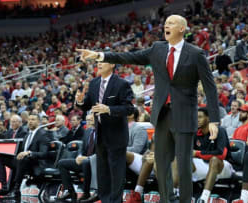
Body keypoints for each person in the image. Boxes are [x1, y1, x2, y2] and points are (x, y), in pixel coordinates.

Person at [76, 14, 220, 203]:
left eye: (171, 23)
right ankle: (166, 200)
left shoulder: (195, 53)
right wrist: (99, 55)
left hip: (184, 114)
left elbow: (210, 87)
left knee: (183, 164)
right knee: (160, 162)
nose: (166, 26)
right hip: (162, 114)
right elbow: (129, 56)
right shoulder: (157, 49)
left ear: (182, 29)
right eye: (166, 23)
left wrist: (215, 120)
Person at [75, 61, 134, 203]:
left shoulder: (121, 84)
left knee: (116, 173)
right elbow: (87, 104)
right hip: (100, 134)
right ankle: (105, 199)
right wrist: (80, 102)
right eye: (98, 62)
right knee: (103, 173)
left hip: (117, 135)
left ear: (112, 64)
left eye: (103, 62)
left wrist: (109, 109)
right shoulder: (94, 83)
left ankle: (115, 201)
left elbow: (129, 109)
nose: (99, 64)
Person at [0, 114, 53, 198]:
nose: (30, 122)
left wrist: (29, 153)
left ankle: (16, 189)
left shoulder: (43, 134)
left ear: (39, 122)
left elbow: (44, 154)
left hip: (35, 164)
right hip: (23, 162)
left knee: (23, 159)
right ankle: (4, 187)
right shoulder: (28, 134)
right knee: (0, 158)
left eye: (33, 119)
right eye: (29, 120)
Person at [190, 108, 232, 203]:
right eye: (196, 117)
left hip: (223, 167)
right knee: (179, 159)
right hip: (204, 165)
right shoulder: (196, 133)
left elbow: (221, 155)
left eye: (200, 117)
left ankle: (204, 197)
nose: (197, 119)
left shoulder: (219, 131)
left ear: (208, 118)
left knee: (214, 159)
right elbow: (190, 153)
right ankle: (175, 192)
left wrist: (197, 153)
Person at [57, 114, 98, 203]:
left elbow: (102, 152)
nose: (88, 122)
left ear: (96, 120)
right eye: (87, 120)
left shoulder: (102, 132)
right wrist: (79, 156)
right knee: (62, 163)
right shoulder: (87, 132)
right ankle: (70, 191)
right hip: (84, 160)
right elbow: (82, 149)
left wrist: (88, 158)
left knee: (86, 162)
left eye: (90, 120)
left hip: (96, 161)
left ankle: (86, 193)